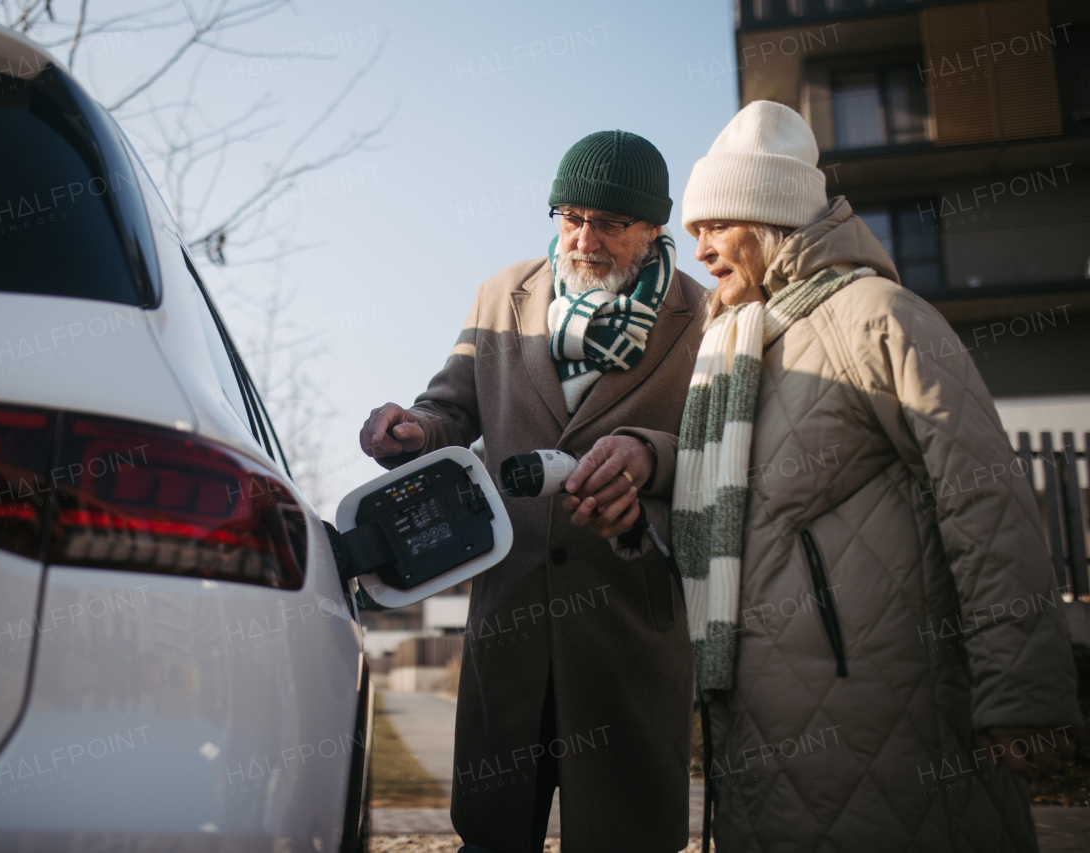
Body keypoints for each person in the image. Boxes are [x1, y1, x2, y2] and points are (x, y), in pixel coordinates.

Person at [648, 99, 1081, 852]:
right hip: (759, 719)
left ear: (771, 215)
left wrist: (1021, 689)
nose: (702, 247)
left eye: (717, 224)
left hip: (883, 714)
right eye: (693, 231)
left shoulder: (879, 318)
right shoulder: (735, 345)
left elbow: (985, 497)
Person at [358, 130, 706, 852]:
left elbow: (718, 450)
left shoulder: (705, 319)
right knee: (491, 832)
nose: (585, 239)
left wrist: (649, 458)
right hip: (509, 616)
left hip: (628, 626)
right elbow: (451, 407)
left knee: (625, 835)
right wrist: (416, 431)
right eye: (572, 216)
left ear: (653, 227)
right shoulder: (499, 296)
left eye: (610, 223)